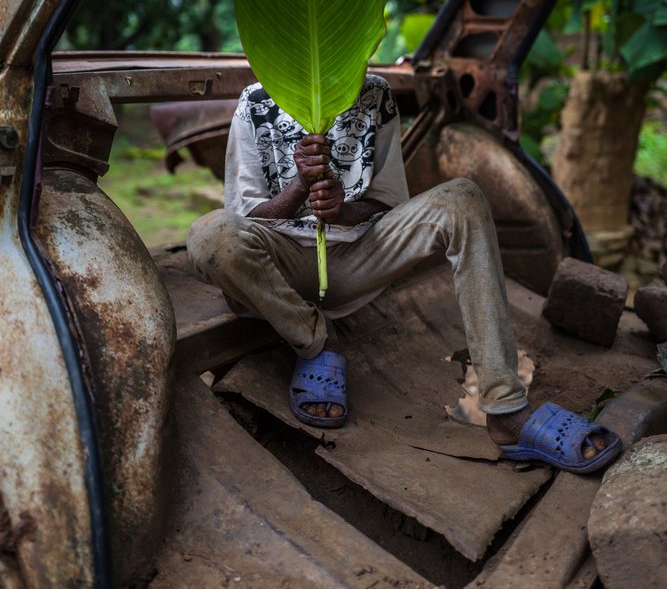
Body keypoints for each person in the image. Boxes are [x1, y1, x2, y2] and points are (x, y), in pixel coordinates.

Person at [188, 74, 621, 473]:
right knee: (210, 234)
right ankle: (317, 340)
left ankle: (506, 409)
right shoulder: (255, 101)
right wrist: (300, 186)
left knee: (463, 197)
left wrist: (340, 209)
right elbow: (248, 216)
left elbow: (387, 204)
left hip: (357, 257)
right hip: (275, 267)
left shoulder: (375, 95)